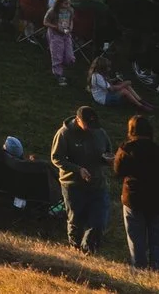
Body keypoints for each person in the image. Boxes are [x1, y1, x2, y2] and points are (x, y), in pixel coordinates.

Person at [111, 115, 159, 272]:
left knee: (136, 240)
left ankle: (139, 271)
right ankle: (158, 271)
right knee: (158, 242)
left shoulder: (126, 149)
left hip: (134, 199)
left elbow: (118, 171)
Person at [53, 103, 115, 252]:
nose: (90, 128)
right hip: (73, 185)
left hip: (97, 184)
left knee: (99, 221)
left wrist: (109, 160)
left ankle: (89, 250)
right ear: (78, 120)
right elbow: (56, 158)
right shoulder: (64, 134)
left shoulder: (100, 133)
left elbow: (108, 151)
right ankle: (75, 248)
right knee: (76, 220)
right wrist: (77, 170)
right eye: (87, 124)